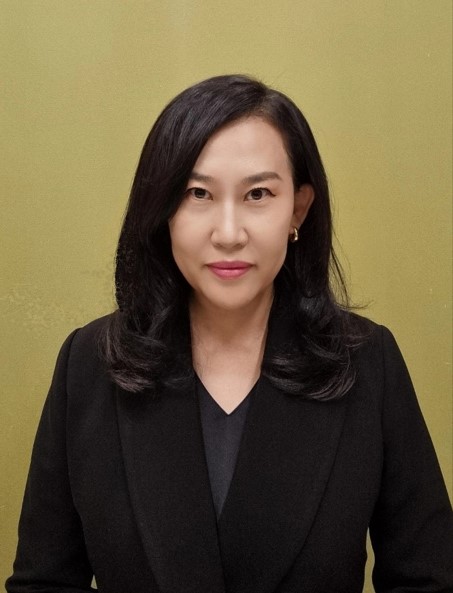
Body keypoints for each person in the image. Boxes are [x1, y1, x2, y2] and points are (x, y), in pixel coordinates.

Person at [6, 74, 453, 593]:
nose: (228, 233)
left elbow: (428, 579)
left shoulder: (367, 362)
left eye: (258, 194)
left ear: (298, 208)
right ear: (163, 208)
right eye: (198, 193)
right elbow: (45, 583)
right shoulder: (89, 363)